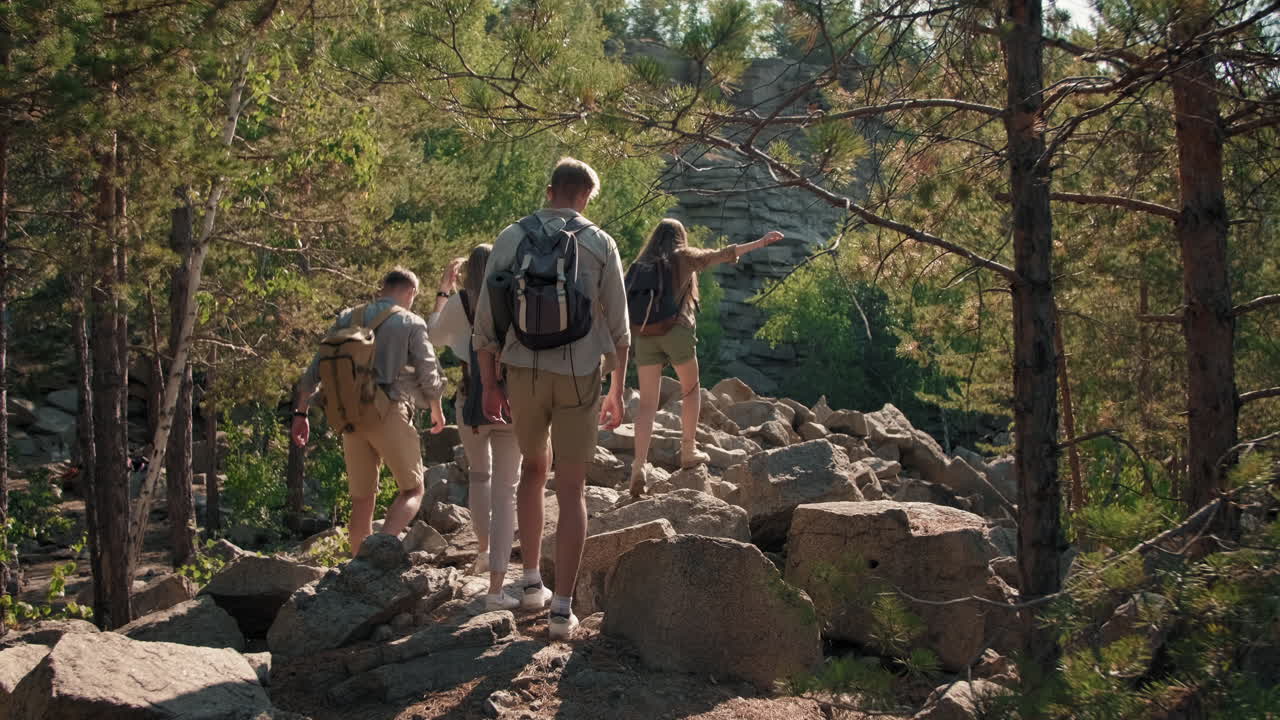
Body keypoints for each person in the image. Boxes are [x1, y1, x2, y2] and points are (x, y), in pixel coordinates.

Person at [472, 157, 629, 640]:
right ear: (585, 195)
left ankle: (531, 581)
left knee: (532, 472)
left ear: (549, 191)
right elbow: (620, 328)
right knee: (572, 487)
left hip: (522, 371)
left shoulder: (511, 237)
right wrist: (618, 389)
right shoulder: (600, 242)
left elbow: (485, 326)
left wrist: (491, 384)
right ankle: (561, 611)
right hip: (581, 375)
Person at [291, 268, 447, 557]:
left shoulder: (346, 318)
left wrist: (300, 415)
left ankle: (356, 566)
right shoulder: (410, 321)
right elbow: (429, 373)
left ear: (382, 288)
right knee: (413, 490)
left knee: (362, 501)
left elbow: (313, 372)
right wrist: (436, 408)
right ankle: (376, 554)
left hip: (348, 416)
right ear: (411, 292)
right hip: (388, 413)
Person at [627, 219, 783, 497]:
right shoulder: (682, 256)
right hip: (677, 331)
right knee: (690, 390)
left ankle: (638, 466)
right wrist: (759, 243)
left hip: (644, 336)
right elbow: (719, 254)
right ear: (680, 237)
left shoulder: (639, 265)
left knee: (647, 404)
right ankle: (688, 450)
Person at [428, 246, 523, 611]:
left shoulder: (461, 303)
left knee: (480, 477)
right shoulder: (513, 298)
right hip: (512, 400)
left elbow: (433, 336)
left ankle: (483, 552)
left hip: (469, 397)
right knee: (506, 490)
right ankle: (497, 585)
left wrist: (442, 293)